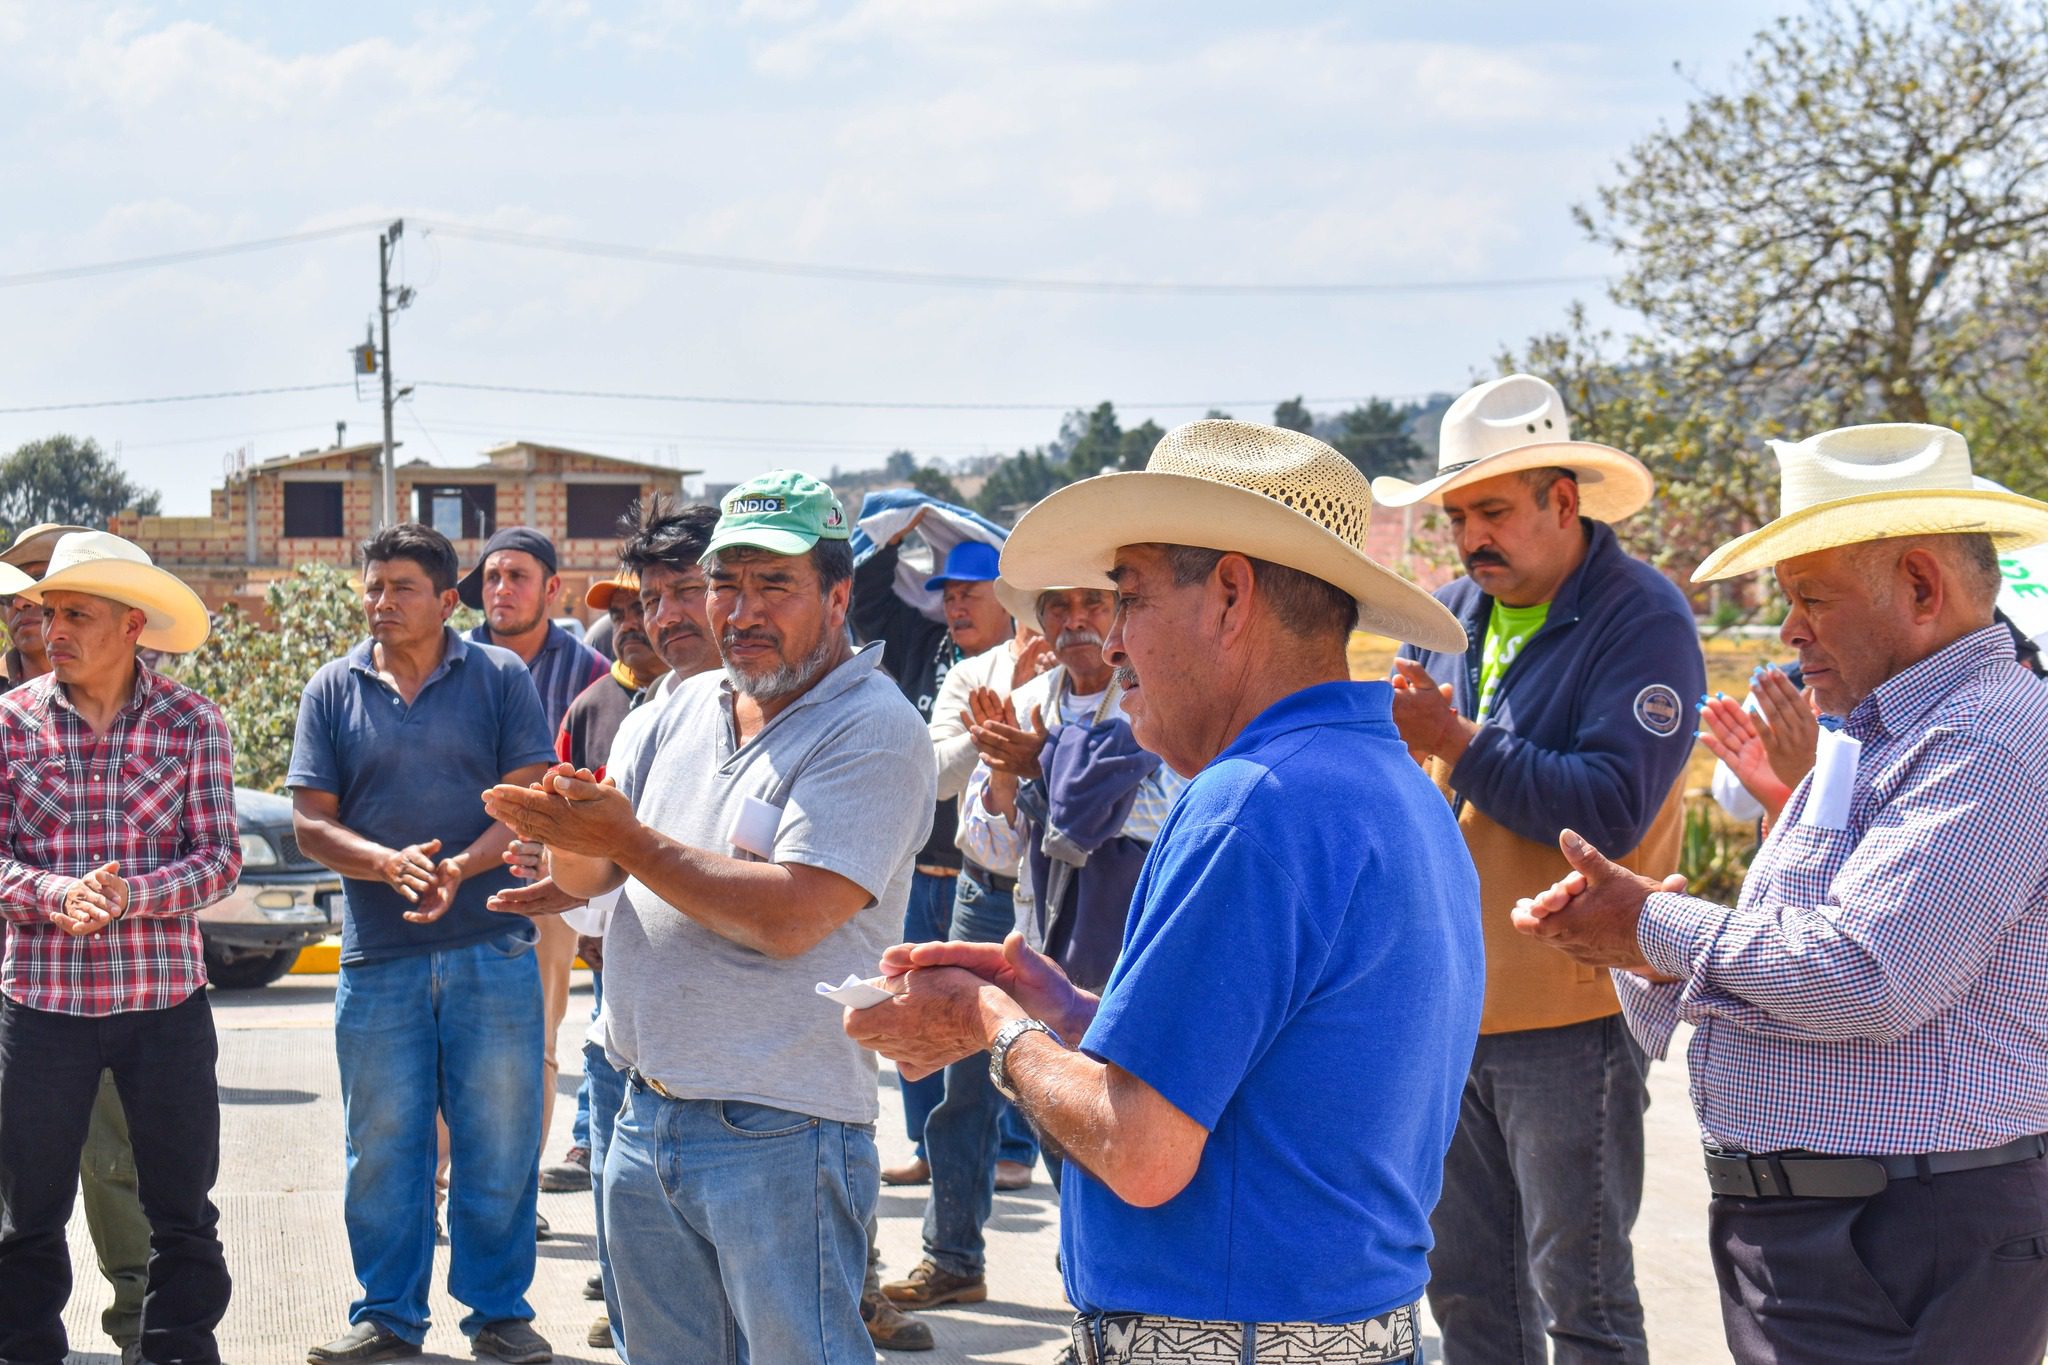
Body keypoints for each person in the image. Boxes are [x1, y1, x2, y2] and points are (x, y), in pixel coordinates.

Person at [851, 420, 1483, 1365]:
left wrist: (991, 1021)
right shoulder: (1389, 784)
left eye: (1131, 596)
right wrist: (1061, 1008)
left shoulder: (1252, 801)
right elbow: (1266, 1067)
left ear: (1230, 594)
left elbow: (1142, 1149)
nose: (1109, 638)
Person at [1512, 422, 2048, 1364]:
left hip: (1901, 1237)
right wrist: (1645, 945)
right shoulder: (1884, 733)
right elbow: (1806, 953)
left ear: (1923, 588)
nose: (1791, 629)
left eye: (1811, 598)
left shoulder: (1990, 738)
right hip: (1853, 1233)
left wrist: (1655, 923)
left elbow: (1864, 975)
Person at [484, 471, 936, 1365]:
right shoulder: (683, 704)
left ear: (839, 595)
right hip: (642, 1112)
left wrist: (630, 843)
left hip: (781, 1129)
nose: (743, 609)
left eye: (776, 583)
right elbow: (602, 864)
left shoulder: (870, 729)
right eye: (726, 582)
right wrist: (565, 838)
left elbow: (794, 914)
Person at [1369, 373, 1706, 1364]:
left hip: (1570, 1013)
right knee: (1468, 1294)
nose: (1471, 533)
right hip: (1447, 1012)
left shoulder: (1641, 617)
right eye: (1458, 512)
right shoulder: (1445, 617)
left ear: (1562, 502)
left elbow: (1609, 805)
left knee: (1582, 1305)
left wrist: (1452, 738)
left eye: (1493, 509)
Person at [289, 523, 557, 1365]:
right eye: (372, 586)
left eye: (401, 587)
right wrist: (386, 863)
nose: (381, 602)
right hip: (378, 955)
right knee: (383, 1144)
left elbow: (525, 795)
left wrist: (459, 868)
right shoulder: (333, 689)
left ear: (448, 600)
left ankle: (499, 1313)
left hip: (494, 942)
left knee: (500, 1136)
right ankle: (387, 1315)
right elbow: (309, 822)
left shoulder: (500, 677)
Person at [883, 580, 1186, 1314]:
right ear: (1038, 617)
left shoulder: (1149, 693)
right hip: (1035, 930)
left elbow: (1150, 810)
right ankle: (956, 1256)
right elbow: (990, 843)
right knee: (983, 1091)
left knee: (1104, 1122)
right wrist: (1008, 771)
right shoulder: (1027, 698)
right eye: (1058, 607)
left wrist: (1042, 763)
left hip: (1124, 945)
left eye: (1092, 603)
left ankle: (1104, 1293)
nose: (1075, 622)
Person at [0, 530, 239, 1365]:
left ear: (133, 624)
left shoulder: (193, 722)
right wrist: (52, 894)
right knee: (25, 1211)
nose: (50, 628)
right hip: (40, 1007)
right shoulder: (9, 723)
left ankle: (174, 1349)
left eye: (75, 612)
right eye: (46, 611)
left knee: (182, 1207)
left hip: (164, 1006)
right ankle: (24, 1348)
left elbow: (218, 859)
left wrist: (132, 895)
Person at [489, 497, 722, 1355]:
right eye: (645, 601)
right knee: (653, 1329)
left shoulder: (822, 716)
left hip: (763, 1097)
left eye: (683, 591)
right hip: (632, 1059)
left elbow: (791, 906)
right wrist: (560, 859)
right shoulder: (640, 712)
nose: (660, 618)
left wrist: (608, 846)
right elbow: (603, 893)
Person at [0, 523, 155, 1365]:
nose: (34, 606)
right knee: (18, 1186)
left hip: (87, 987)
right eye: (24, 589)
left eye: (53, 592)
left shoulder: (140, 710)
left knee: (115, 1162)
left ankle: (138, 1325)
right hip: (17, 981)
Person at [854, 523, 1014, 1187]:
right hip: (921, 866)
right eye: (949, 592)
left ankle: (1014, 1150)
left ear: (1009, 599)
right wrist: (900, 526)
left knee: (1002, 1017)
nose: (956, 604)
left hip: (990, 875)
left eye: (972, 592)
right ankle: (925, 1143)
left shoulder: (1029, 669)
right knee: (911, 1010)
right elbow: (863, 592)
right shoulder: (924, 647)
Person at [459, 526, 608, 1207]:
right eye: (491, 577)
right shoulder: (451, 663)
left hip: (547, 884)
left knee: (532, 1048)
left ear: (553, 589)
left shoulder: (588, 676)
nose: (501, 589)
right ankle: (437, 1191)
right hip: (456, 874)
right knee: (447, 1045)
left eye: (517, 576)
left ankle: (514, 1199)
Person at [535, 567, 670, 1200]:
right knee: (609, 1074)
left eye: (642, 607)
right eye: (618, 614)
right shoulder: (593, 708)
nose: (630, 626)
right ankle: (616, 1261)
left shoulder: (713, 706)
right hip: (610, 938)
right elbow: (573, 829)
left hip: (682, 950)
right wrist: (579, 898)